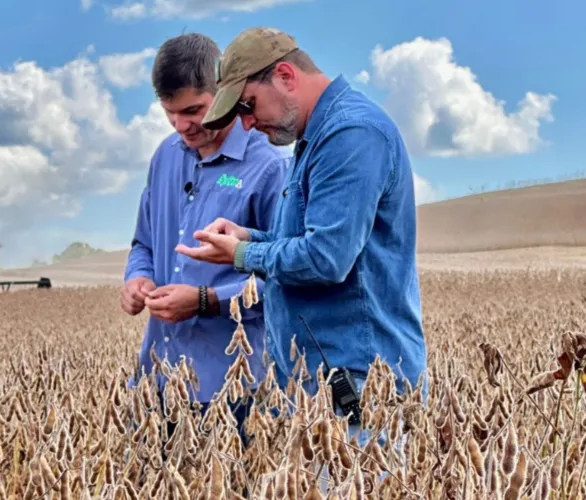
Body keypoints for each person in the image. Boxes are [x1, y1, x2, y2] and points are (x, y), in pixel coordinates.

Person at [174, 27, 429, 443]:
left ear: (286, 77)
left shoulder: (350, 135)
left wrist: (241, 255)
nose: (248, 123)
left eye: (249, 105)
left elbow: (325, 258)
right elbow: (307, 241)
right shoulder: (316, 137)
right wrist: (251, 239)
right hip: (323, 385)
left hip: (359, 388)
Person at [121, 32, 288, 444]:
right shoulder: (165, 157)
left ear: (225, 92)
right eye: (169, 113)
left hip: (236, 385)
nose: (182, 126)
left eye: (193, 110)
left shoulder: (268, 167)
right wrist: (136, 279)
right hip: (159, 380)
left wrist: (203, 301)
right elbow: (144, 243)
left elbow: (286, 275)